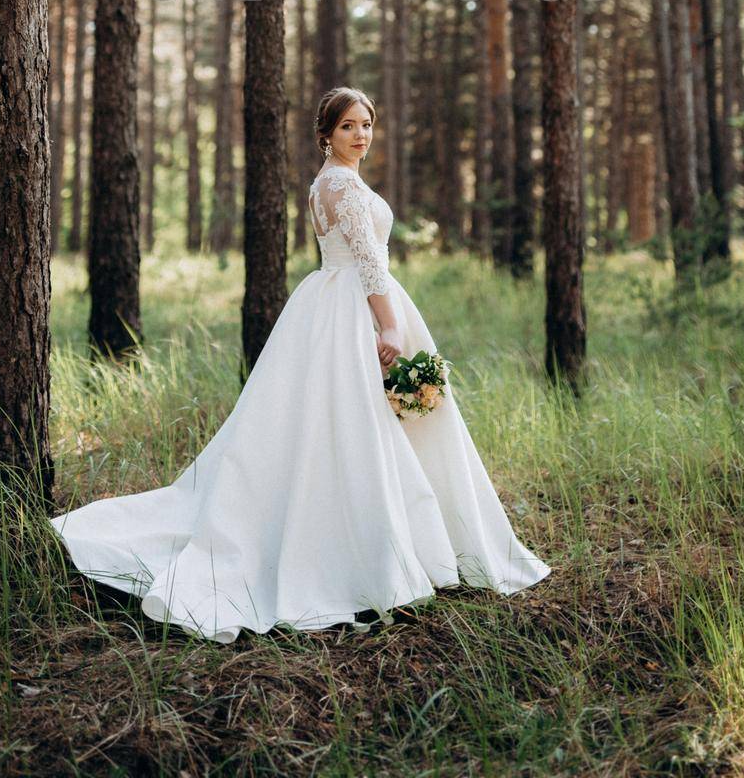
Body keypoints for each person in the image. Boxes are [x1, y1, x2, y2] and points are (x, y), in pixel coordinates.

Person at [49, 85, 550, 642]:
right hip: (355, 309)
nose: (361, 135)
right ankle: (370, 553)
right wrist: (389, 326)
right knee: (356, 425)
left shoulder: (325, 185)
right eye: (348, 127)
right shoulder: (340, 185)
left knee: (333, 428)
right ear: (326, 136)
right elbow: (369, 264)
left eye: (367, 124)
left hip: (323, 306)